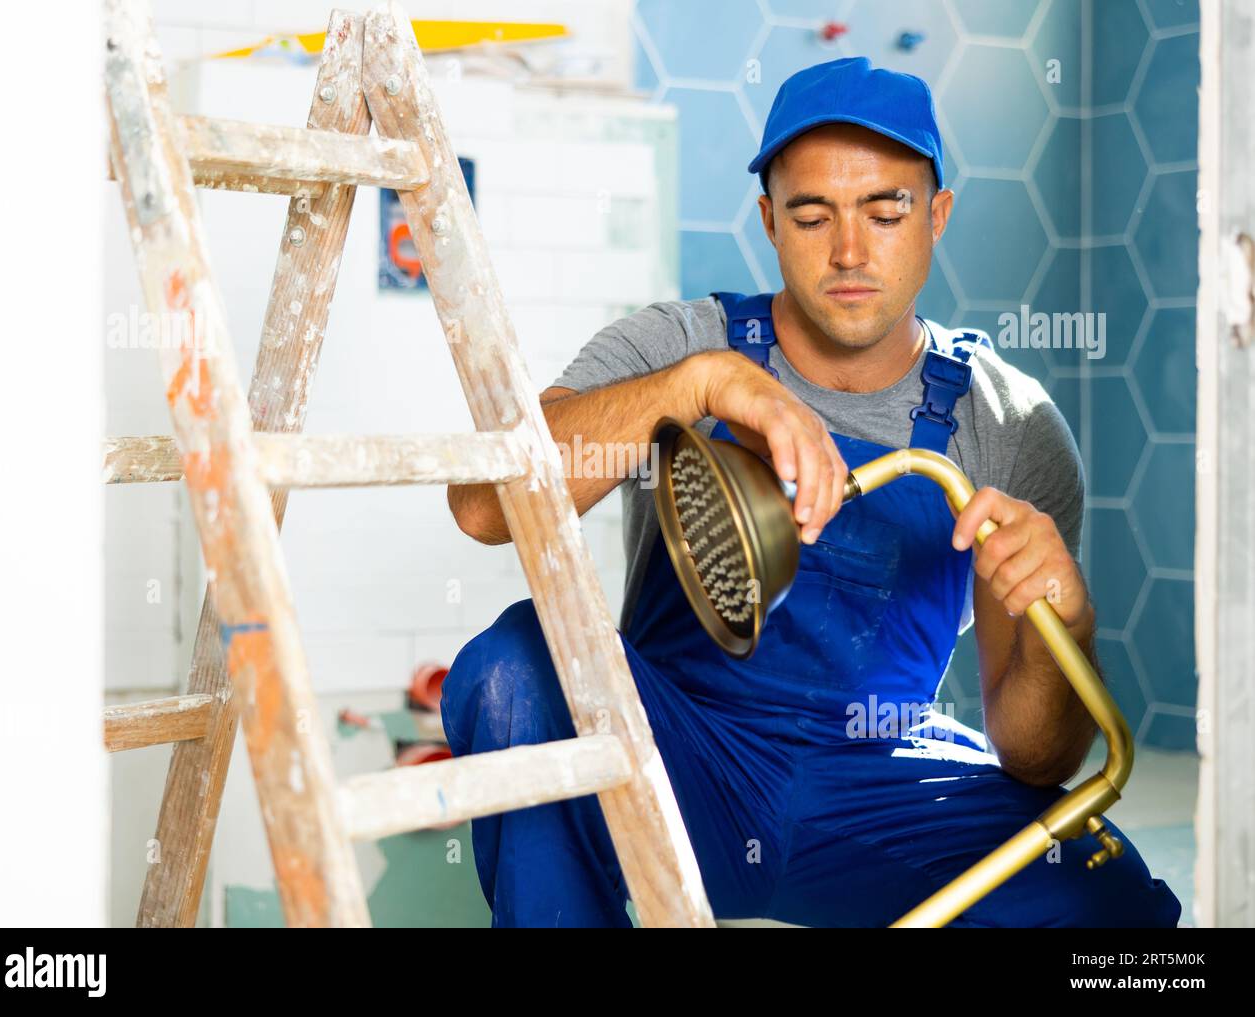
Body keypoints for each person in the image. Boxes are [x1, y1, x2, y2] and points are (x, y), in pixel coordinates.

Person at [441, 57, 1183, 928]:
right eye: (811, 214)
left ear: (937, 214)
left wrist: (1070, 630)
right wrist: (701, 385)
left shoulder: (1009, 423)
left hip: (879, 788)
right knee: (514, 667)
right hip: (682, 755)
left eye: (885, 210)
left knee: (1112, 903)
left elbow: (1034, 755)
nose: (849, 253)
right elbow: (484, 506)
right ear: (768, 221)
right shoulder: (683, 340)